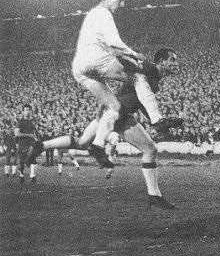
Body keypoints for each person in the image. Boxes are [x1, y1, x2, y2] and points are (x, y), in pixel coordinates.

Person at [35, 48, 180, 208]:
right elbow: (128, 64)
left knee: (148, 149)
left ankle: (154, 196)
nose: (176, 63)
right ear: (161, 61)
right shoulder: (149, 68)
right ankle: (42, 145)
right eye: (172, 60)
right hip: (115, 112)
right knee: (84, 143)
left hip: (122, 116)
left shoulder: (154, 79)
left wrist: (160, 122)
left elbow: (142, 102)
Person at [71, 0, 182, 164]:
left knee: (114, 107)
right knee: (137, 75)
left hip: (80, 68)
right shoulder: (103, 13)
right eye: (120, 0)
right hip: (96, 60)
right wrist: (134, 54)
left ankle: (97, 146)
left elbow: (109, 46)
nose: (121, 4)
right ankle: (157, 120)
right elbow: (114, 42)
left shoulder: (92, 15)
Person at [14, 104, 41, 184]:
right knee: (21, 163)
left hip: (31, 144)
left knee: (33, 160)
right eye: (26, 110)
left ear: (31, 111)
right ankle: (21, 175)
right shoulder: (20, 122)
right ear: (23, 112)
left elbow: (35, 133)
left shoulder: (32, 122)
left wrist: (36, 138)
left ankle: (32, 176)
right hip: (22, 144)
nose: (27, 112)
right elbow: (17, 133)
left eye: (29, 110)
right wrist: (29, 135)